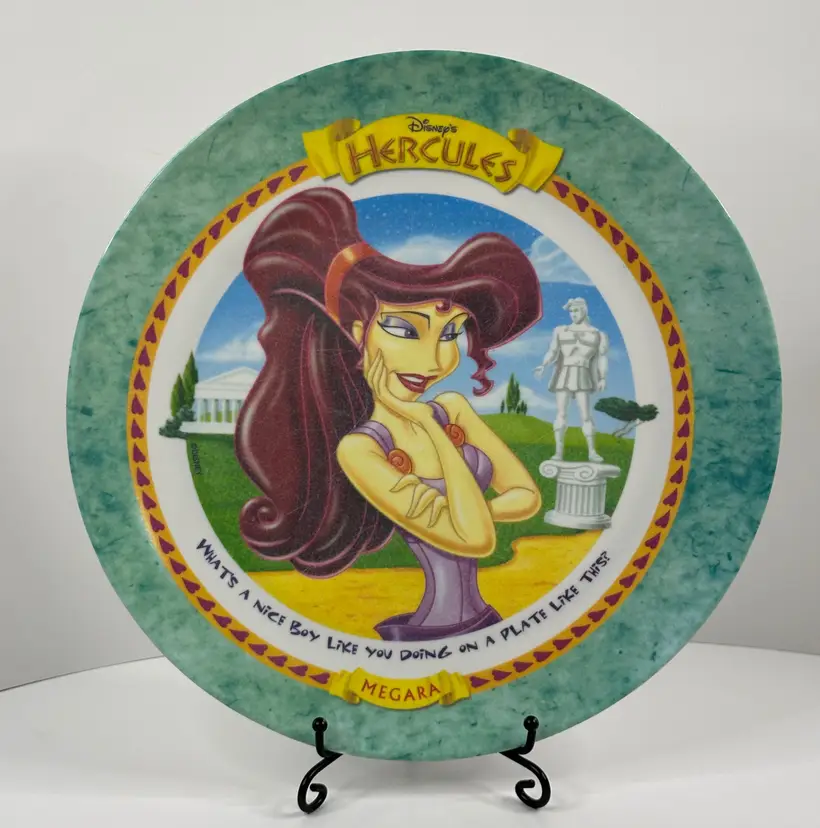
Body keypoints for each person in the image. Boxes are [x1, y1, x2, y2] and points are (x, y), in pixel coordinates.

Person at [235, 187, 543, 641]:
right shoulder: (360, 449)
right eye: (405, 329)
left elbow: (526, 496)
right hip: (433, 634)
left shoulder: (452, 408)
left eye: (450, 334)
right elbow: (476, 539)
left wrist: (463, 509)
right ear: (358, 333)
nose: (435, 361)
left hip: (485, 624)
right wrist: (429, 431)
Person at [534, 298, 609, 463]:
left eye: (576, 310)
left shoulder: (597, 334)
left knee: (586, 415)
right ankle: (558, 453)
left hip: (583, 373)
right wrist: (543, 365)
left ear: (584, 310)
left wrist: (602, 377)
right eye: (571, 311)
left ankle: (592, 452)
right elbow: (553, 351)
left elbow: (601, 357)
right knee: (561, 413)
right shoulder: (561, 331)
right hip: (564, 373)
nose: (573, 314)